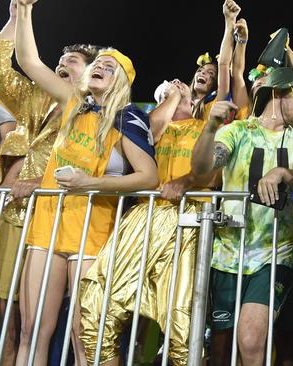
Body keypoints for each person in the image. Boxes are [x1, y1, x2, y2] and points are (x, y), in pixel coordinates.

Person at [14, 1, 158, 364]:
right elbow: (30, 62)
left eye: (111, 68)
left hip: (91, 233)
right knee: (32, 328)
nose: (101, 68)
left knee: (84, 334)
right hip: (48, 224)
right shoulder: (73, 101)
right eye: (99, 64)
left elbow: (150, 177)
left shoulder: (126, 120)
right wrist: (25, 11)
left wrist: (90, 183)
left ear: (121, 82)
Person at [191, 67, 293, 366]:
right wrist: (210, 127)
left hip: (276, 252)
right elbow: (201, 168)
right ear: (279, 91)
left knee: (251, 340)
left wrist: (285, 173)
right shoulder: (237, 131)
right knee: (221, 351)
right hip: (227, 253)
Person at [79, 80, 213, 366]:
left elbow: (212, 171)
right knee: (96, 306)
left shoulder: (205, 127)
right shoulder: (154, 129)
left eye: (183, 94)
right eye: (167, 95)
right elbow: (147, 130)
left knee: (183, 326)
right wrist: (174, 95)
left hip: (188, 219)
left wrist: (186, 181)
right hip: (144, 216)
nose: (177, 93)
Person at [0, 1, 99, 363]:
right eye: (62, 59)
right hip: (17, 213)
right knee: (13, 321)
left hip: (57, 218)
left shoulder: (91, 108)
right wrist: (15, 16)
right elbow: (2, 65)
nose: (64, 62)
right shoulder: (37, 98)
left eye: (74, 60)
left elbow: (88, 167)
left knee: (58, 326)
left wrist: (38, 182)